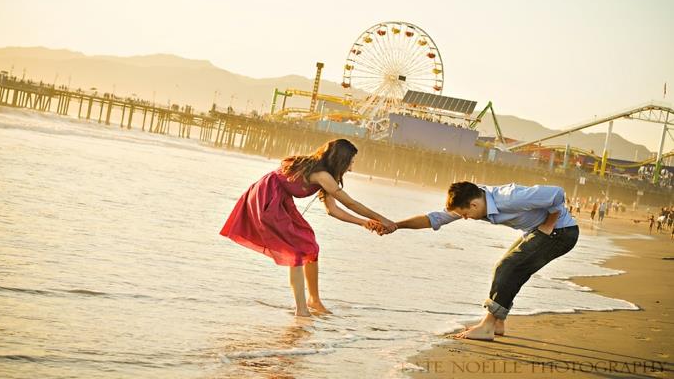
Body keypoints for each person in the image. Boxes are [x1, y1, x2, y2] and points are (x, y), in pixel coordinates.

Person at [383, 181, 579, 341]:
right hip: (539, 232)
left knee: (508, 267)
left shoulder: (509, 197)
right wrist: (396, 226)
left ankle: (487, 326)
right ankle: (497, 323)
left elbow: (557, 193)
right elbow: (434, 219)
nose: (465, 218)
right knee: (509, 268)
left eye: (465, 214)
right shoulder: (474, 200)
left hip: (561, 233)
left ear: (474, 205)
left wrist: (548, 224)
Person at [219, 138, 395, 317]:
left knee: (310, 245)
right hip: (267, 197)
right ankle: (301, 309)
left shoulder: (325, 176)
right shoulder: (322, 175)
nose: (351, 168)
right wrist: (382, 219)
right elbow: (350, 203)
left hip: (280, 200)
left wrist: (364, 223)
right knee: (296, 250)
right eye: (350, 163)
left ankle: (314, 301)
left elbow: (332, 210)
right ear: (341, 160)